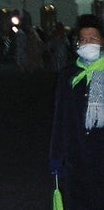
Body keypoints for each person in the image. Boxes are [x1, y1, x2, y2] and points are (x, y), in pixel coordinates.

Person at [49, 14, 104, 209]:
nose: (88, 43)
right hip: (76, 159)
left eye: (93, 38)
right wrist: (56, 156)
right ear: (77, 43)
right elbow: (60, 118)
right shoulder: (68, 76)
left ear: (102, 42)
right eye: (83, 39)